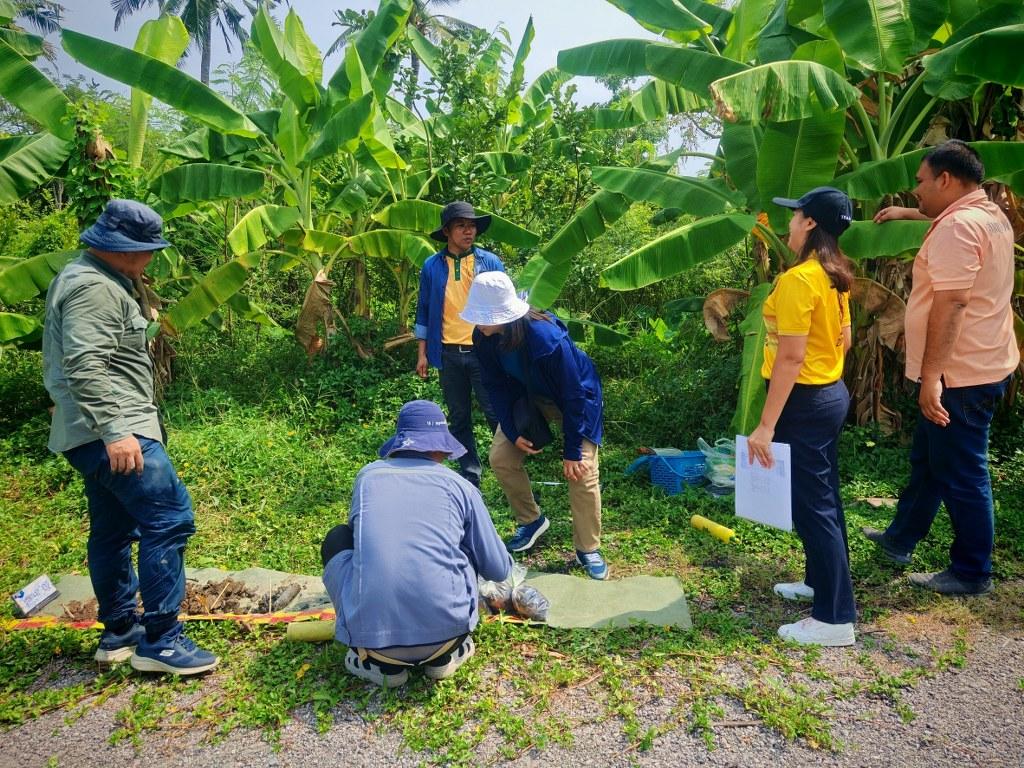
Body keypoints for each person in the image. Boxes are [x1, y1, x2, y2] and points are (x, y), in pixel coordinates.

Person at [42, 200, 218, 675]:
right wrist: (116, 432)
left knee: (115, 530)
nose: (150, 260)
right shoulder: (95, 288)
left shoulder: (83, 278)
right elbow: (84, 363)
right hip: (116, 431)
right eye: (147, 251)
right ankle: (161, 641)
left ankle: (120, 629)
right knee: (170, 519)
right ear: (124, 250)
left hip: (91, 431)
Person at [862, 140, 1018, 595]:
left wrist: (932, 378)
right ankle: (899, 540)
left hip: (959, 376)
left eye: (921, 182)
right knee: (929, 461)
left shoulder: (959, 229)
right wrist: (909, 216)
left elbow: (952, 305)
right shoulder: (988, 214)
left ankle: (972, 572)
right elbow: (946, 219)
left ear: (945, 180)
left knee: (963, 471)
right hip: (987, 361)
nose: (916, 191)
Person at [321, 400, 512, 687]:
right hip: (447, 640)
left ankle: (377, 663)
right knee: (466, 544)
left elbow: (361, 539)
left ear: (400, 444)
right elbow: (498, 570)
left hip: (374, 647)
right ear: (440, 446)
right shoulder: (461, 487)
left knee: (338, 537)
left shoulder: (368, 477)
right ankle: (443, 659)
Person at [747, 187, 856, 647]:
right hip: (830, 393)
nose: (789, 224)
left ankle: (834, 619)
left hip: (804, 400)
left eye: (795, 217)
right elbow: (844, 340)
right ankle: (819, 582)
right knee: (823, 494)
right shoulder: (836, 275)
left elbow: (790, 358)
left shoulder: (799, 280)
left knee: (814, 504)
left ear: (810, 224)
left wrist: (767, 425)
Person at [459, 272, 609, 580]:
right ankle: (531, 520)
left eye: (484, 318)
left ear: (503, 315)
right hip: (530, 397)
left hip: (577, 398)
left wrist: (571, 451)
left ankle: (588, 548)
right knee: (501, 458)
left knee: (582, 470)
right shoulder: (483, 337)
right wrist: (513, 433)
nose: (479, 324)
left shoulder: (546, 339)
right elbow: (494, 385)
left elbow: (574, 394)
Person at [414, 201, 503, 488]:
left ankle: (509, 469)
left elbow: (504, 307)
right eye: (462, 226)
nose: (469, 231)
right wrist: (422, 354)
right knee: (459, 417)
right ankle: (470, 475)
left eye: (472, 225)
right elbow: (424, 309)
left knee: (496, 414)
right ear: (447, 231)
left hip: (484, 353)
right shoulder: (432, 266)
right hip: (448, 353)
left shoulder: (489, 262)